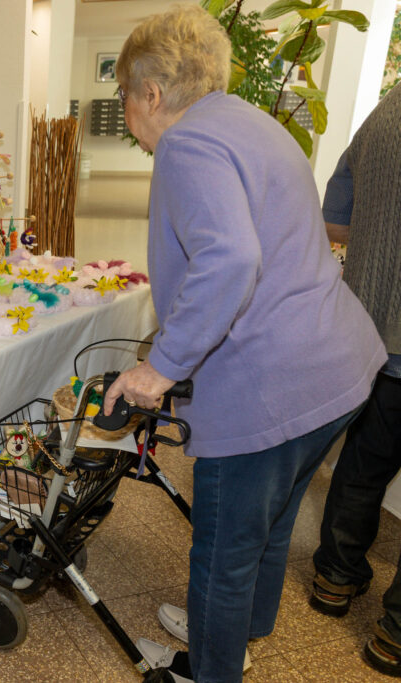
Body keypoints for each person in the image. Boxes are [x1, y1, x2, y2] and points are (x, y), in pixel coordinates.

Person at [100, 6, 386, 682]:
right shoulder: (250, 122)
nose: (127, 112)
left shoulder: (185, 145)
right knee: (272, 519)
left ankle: (211, 667)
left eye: (125, 95)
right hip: (337, 367)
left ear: (150, 93)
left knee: (222, 552)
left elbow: (230, 259)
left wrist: (158, 371)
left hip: (270, 384)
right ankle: (242, 632)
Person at [308, 84, 401, 677]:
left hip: (376, 336)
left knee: (364, 462)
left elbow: (334, 216)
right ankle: (395, 634)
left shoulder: (389, 109)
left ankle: (335, 578)